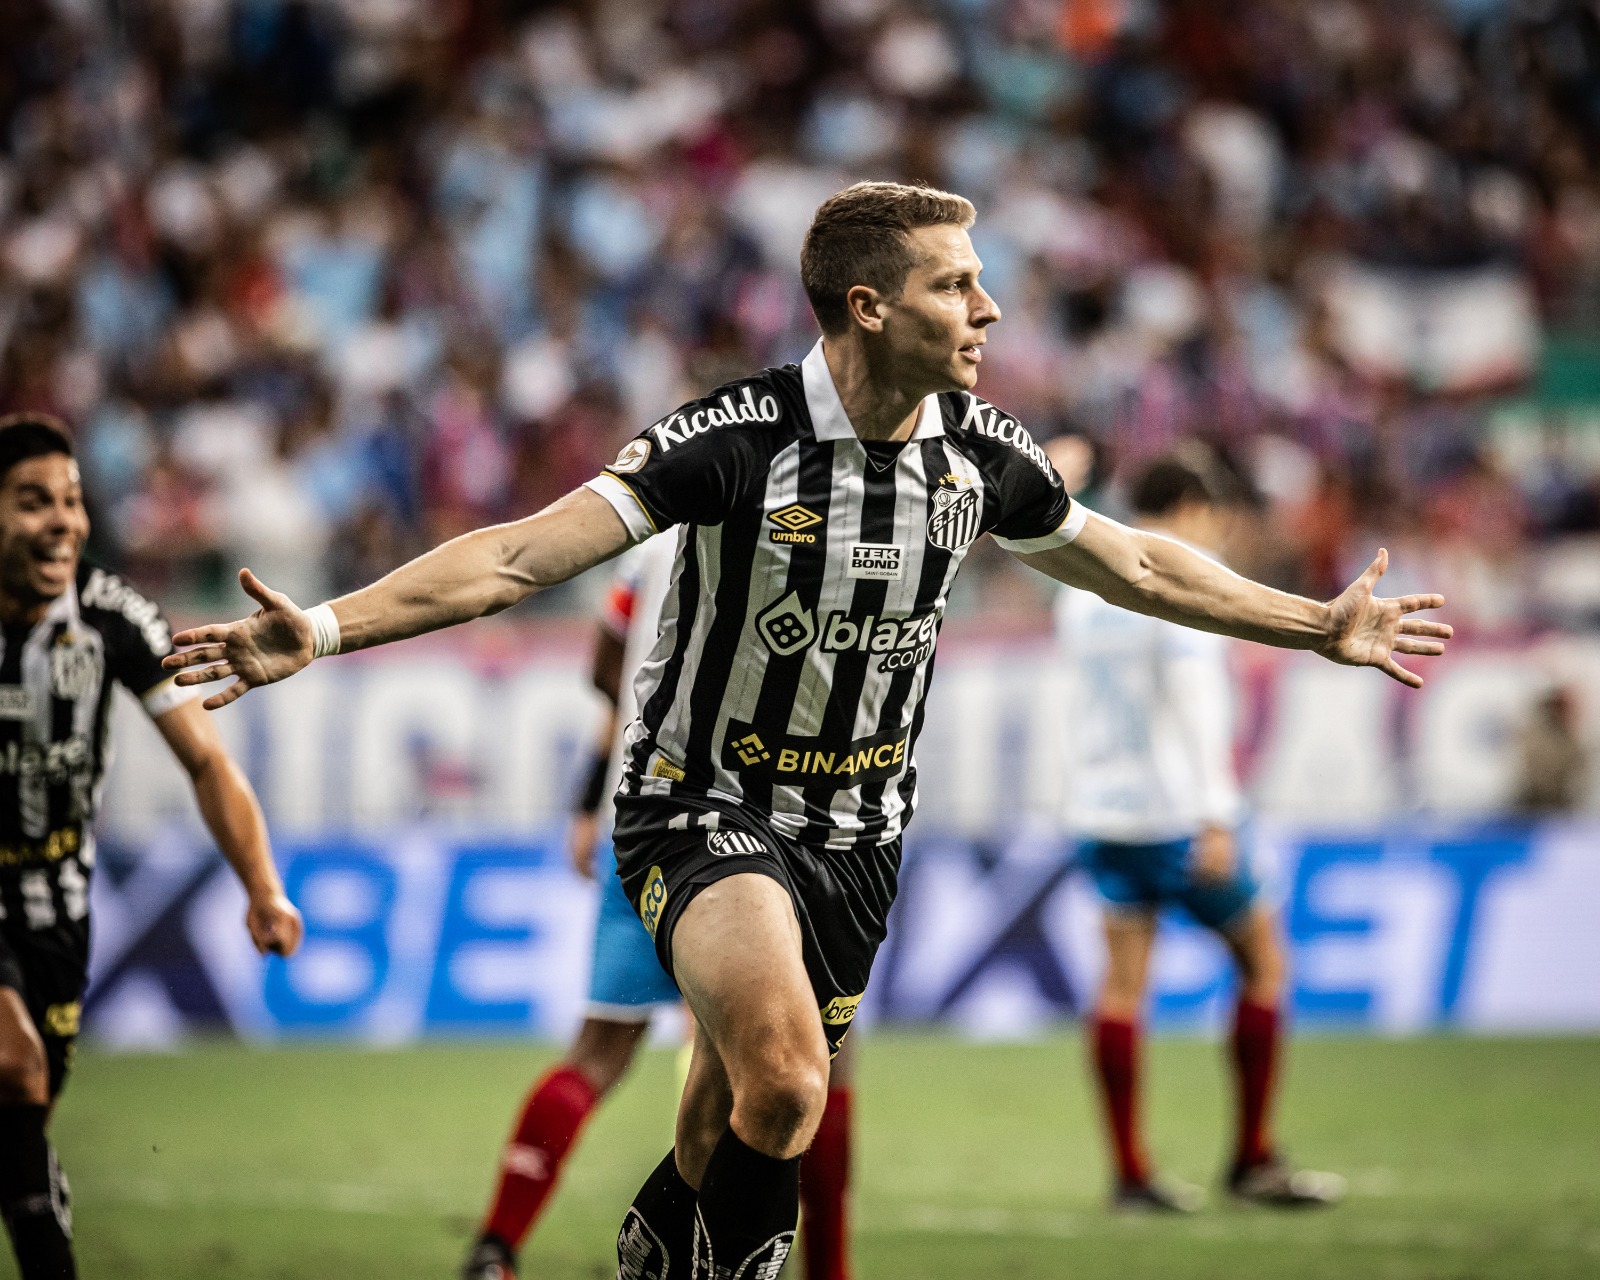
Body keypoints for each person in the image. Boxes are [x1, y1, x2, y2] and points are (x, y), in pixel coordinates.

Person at [162, 182, 1450, 1278]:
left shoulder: (981, 453)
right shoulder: (735, 438)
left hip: (861, 839)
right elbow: (513, 557)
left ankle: (663, 1238)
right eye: (956, 285)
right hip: (702, 803)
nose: (988, 312)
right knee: (786, 1078)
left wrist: (1313, 623)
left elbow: (1144, 568)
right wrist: (321, 629)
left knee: (727, 1129)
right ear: (868, 308)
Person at [462, 531, 856, 1280]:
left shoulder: (650, 537)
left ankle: (496, 1244)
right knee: (811, 1060)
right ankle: (829, 1271)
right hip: (763, 830)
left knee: (597, 1055)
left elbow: (609, 675)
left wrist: (588, 800)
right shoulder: (818, 521)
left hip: (640, 820)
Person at [0, 414, 303, 1280]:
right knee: (13, 1070)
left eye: (71, 500)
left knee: (22, 1117)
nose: (61, 521)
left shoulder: (112, 617)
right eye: (31, 503)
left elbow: (207, 764)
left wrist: (263, 884)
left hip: (59, 907)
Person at [1057, 446, 1344, 1211]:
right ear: (1189, 509)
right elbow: (1197, 704)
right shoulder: (1180, 573)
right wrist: (1217, 815)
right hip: (1177, 815)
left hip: (1101, 812)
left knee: (1120, 991)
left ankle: (1128, 1172)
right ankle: (1251, 1157)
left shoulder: (1079, 588)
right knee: (1264, 963)